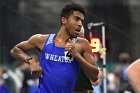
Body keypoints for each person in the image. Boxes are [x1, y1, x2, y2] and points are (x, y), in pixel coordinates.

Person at [10, 2, 99, 93]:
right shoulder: (42, 40)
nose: (80, 24)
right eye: (76, 19)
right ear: (64, 20)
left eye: (81, 21)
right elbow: (15, 50)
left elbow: (94, 76)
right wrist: (31, 61)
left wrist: (77, 55)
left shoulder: (82, 44)